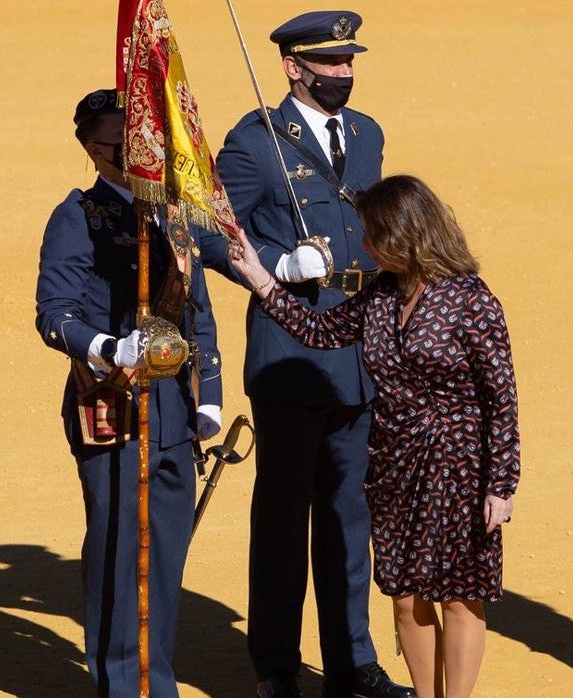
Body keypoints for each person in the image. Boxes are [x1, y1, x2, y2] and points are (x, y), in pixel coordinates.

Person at [228, 175, 520, 698]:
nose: (363, 246)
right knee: (406, 596)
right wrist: (263, 280)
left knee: (458, 596)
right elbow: (321, 332)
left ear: (404, 236)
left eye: (372, 236)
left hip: (459, 468)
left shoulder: (472, 301)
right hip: (393, 465)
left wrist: (501, 484)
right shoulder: (380, 296)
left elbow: (501, 398)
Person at [199, 11, 410, 697]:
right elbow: (207, 225)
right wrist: (276, 264)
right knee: (285, 517)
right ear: (294, 67)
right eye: (329, 64)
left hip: (360, 347)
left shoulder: (368, 134)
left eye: (350, 62)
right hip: (290, 347)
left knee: (351, 514)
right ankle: (278, 667)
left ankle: (352, 662)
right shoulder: (256, 143)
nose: (343, 74)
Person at [35, 88, 223, 698]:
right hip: (114, 405)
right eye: (119, 138)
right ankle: (123, 686)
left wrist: (209, 397)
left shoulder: (172, 214)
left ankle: (154, 678)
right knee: (120, 553)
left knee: (165, 560)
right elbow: (53, 315)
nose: (136, 148)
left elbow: (198, 309)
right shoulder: (78, 216)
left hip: (173, 414)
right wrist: (113, 348)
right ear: (92, 148)